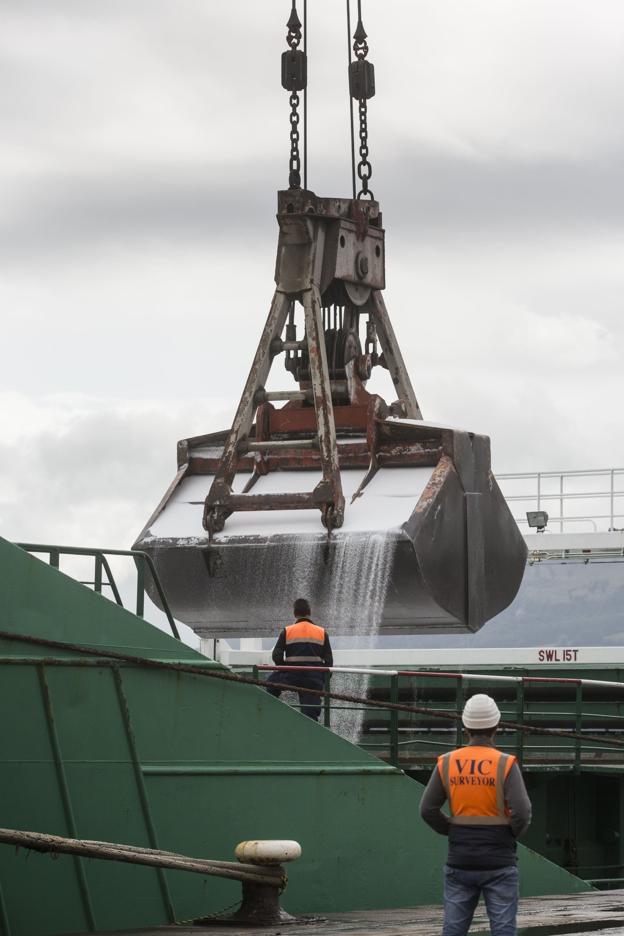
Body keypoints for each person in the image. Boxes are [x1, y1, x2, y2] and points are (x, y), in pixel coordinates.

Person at [419, 693, 532, 936]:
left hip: (460, 859)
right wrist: (509, 834)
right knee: (503, 930)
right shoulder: (505, 763)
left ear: (465, 727)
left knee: (453, 929)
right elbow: (522, 813)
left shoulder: (447, 762)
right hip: (499, 862)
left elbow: (427, 809)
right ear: (497, 727)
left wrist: (452, 829)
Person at [265, 598, 333, 721]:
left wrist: (285, 668)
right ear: (309, 613)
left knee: (270, 684)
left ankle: (269, 714)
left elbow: (276, 656)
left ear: (295, 614)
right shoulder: (322, 633)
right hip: (313, 680)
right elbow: (329, 662)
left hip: (291, 676)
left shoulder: (287, 631)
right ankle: (310, 732)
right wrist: (321, 678)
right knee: (310, 714)